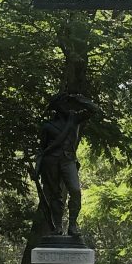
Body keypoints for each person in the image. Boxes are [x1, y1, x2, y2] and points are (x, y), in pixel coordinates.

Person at [35, 92, 100, 236]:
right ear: (57, 108)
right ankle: (57, 227)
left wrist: (78, 98)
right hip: (51, 161)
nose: (66, 107)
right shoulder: (47, 126)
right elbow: (42, 148)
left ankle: (72, 226)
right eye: (63, 104)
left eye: (67, 104)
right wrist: (38, 166)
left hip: (68, 160)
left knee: (75, 191)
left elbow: (94, 109)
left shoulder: (75, 119)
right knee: (55, 195)